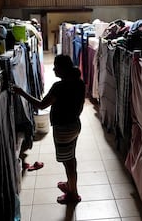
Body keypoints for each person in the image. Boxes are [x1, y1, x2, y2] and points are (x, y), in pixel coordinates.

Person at [11, 54, 85, 204]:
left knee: (68, 163)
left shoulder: (59, 87)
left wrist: (21, 92)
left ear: (63, 69)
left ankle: (73, 194)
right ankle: (71, 186)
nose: (53, 69)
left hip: (63, 129)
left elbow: (41, 105)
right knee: (71, 159)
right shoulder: (79, 83)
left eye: (56, 67)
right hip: (75, 126)